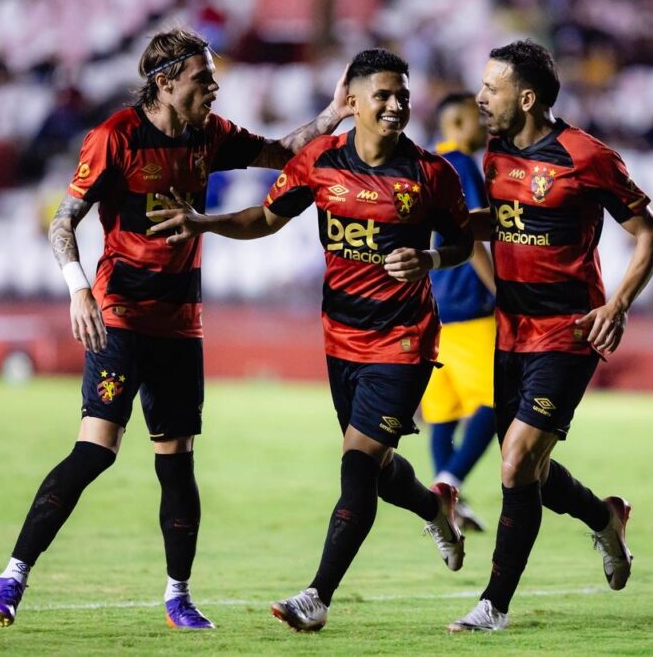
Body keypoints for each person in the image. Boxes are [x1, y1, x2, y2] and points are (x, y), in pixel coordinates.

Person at [0, 26, 353, 630]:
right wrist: (78, 288)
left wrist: (334, 113)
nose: (215, 87)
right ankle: (12, 577)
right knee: (94, 451)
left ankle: (178, 597)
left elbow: (283, 152)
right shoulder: (116, 137)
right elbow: (63, 219)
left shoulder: (211, 134)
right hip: (120, 316)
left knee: (177, 462)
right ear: (165, 81)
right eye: (204, 78)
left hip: (180, 323)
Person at [147, 49, 473, 632]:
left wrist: (428, 259)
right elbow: (266, 218)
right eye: (383, 95)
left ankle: (316, 597)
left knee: (357, 466)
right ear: (354, 101)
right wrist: (203, 223)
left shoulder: (431, 173)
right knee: (376, 468)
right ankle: (435, 506)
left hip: (404, 339)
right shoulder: (320, 161)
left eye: (402, 95)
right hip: (340, 337)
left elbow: (463, 243)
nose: (396, 105)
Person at [447, 40, 653, 632]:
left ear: (526, 98)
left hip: (569, 332)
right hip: (510, 332)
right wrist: (442, 227)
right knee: (531, 475)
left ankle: (493, 605)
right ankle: (605, 518)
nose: (480, 97)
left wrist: (618, 305)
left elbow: (650, 234)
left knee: (517, 462)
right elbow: (501, 223)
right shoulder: (494, 152)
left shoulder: (586, 156)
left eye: (490, 88)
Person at [422, 92, 497, 533]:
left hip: (434, 309)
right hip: (469, 307)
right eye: (475, 117)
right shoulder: (462, 165)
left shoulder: (426, 166)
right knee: (496, 402)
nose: (484, 123)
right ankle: (448, 484)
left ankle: (448, 502)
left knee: (443, 412)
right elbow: (470, 236)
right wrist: (500, 289)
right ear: (453, 122)